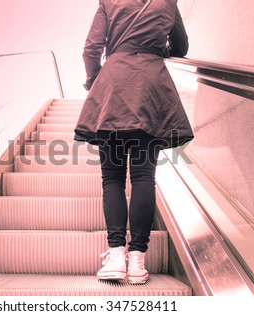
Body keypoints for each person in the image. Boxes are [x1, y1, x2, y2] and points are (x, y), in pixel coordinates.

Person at [74, 0, 194, 284]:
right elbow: (180, 47)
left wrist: (94, 80)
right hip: (152, 88)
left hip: (113, 85)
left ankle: (116, 254)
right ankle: (137, 260)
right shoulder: (167, 2)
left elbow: (92, 48)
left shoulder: (109, 1)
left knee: (112, 179)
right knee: (144, 178)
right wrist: (156, 51)